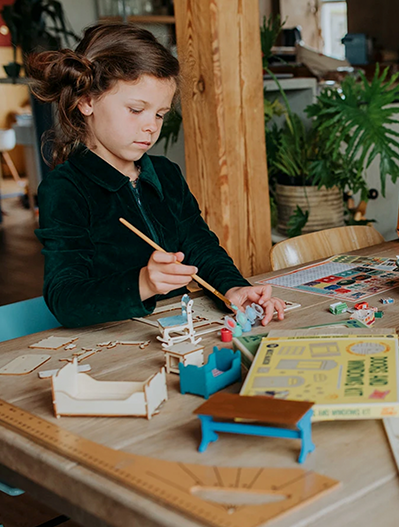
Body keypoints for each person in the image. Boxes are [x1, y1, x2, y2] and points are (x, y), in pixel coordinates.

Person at [30, 23, 285, 328]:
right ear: (86, 101)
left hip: (177, 328)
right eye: (136, 110)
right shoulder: (65, 189)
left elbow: (201, 247)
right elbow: (65, 299)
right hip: (109, 344)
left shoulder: (165, 174)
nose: (151, 126)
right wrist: (143, 283)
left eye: (160, 114)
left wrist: (234, 288)